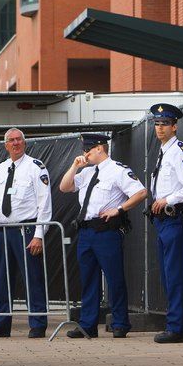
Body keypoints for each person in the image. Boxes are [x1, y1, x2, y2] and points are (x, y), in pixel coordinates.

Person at [59, 134, 147, 339]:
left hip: (106, 231)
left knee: (114, 278)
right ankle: (87, 325)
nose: (85, 154)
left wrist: (119, 209)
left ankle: (120, 323)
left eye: (88, 150)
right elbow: (64, 187)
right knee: (88, 279)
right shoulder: (88, 172)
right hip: (86, 231)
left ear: (100, 148)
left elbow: (140, 192)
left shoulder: (118, 170)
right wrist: (74, 167)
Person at [0, 128, 52, 339]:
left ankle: (38, 323)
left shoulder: (36, 167)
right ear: (5, 145)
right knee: (3, 279)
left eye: (19, 139)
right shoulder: (1, 168)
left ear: (25, 143)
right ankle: (2, 324)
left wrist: (39, 234)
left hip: (26, 230)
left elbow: (44, 202)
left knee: (33, 277)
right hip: (2, 231)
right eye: (11, 140)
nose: (15, 143)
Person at [148, 104, 183, 343]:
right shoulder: (163, 151)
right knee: (169, 274)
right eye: (157, 124)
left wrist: (168, 199)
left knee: (174, 273)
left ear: (174, 126)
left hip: (173, 217)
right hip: (162, 220)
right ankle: (182, 324)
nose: (159, 128)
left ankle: (176, 327)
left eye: (164, 124)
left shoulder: (180, 150)